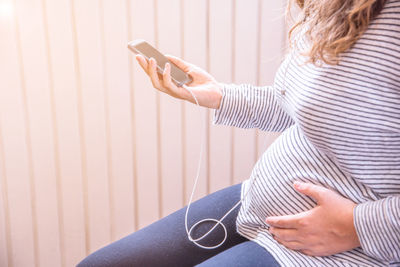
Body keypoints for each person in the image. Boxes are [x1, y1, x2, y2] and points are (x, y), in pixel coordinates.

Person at [77, 0, 400, 266]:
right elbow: (309, 109)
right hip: (258, 204)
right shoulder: (337, 8)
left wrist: (358, 225)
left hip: (345, 247)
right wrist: (219, 95)